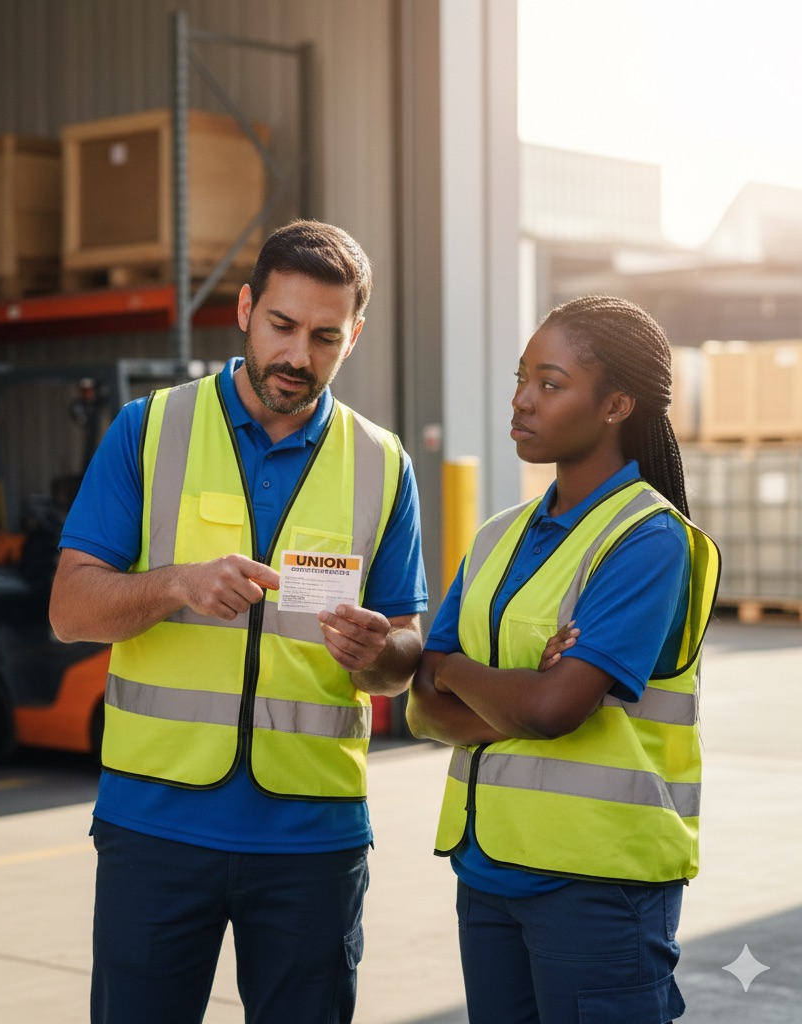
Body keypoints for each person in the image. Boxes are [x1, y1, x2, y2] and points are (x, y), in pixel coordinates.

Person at [49, 219, 428, 1023]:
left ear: (353, 336)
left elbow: (404, 653)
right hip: (155, 831)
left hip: (313, 840)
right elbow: (70, 609)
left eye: (325, 337)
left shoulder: (383, 463)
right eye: (282, 326)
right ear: (247, 308)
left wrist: (379, 651)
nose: (298, 355)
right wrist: (175, 584)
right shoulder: (149, 430)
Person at [407, 295, 720, 1024]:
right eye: (522, 378)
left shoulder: (648, 540)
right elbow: (423, 705)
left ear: (615, 404)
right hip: (487, 872)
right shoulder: (496, 537)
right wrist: (486, 684)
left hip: (597, 887)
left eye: (550, 384)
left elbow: (552, 710)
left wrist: (455, 671)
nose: (521, 401)